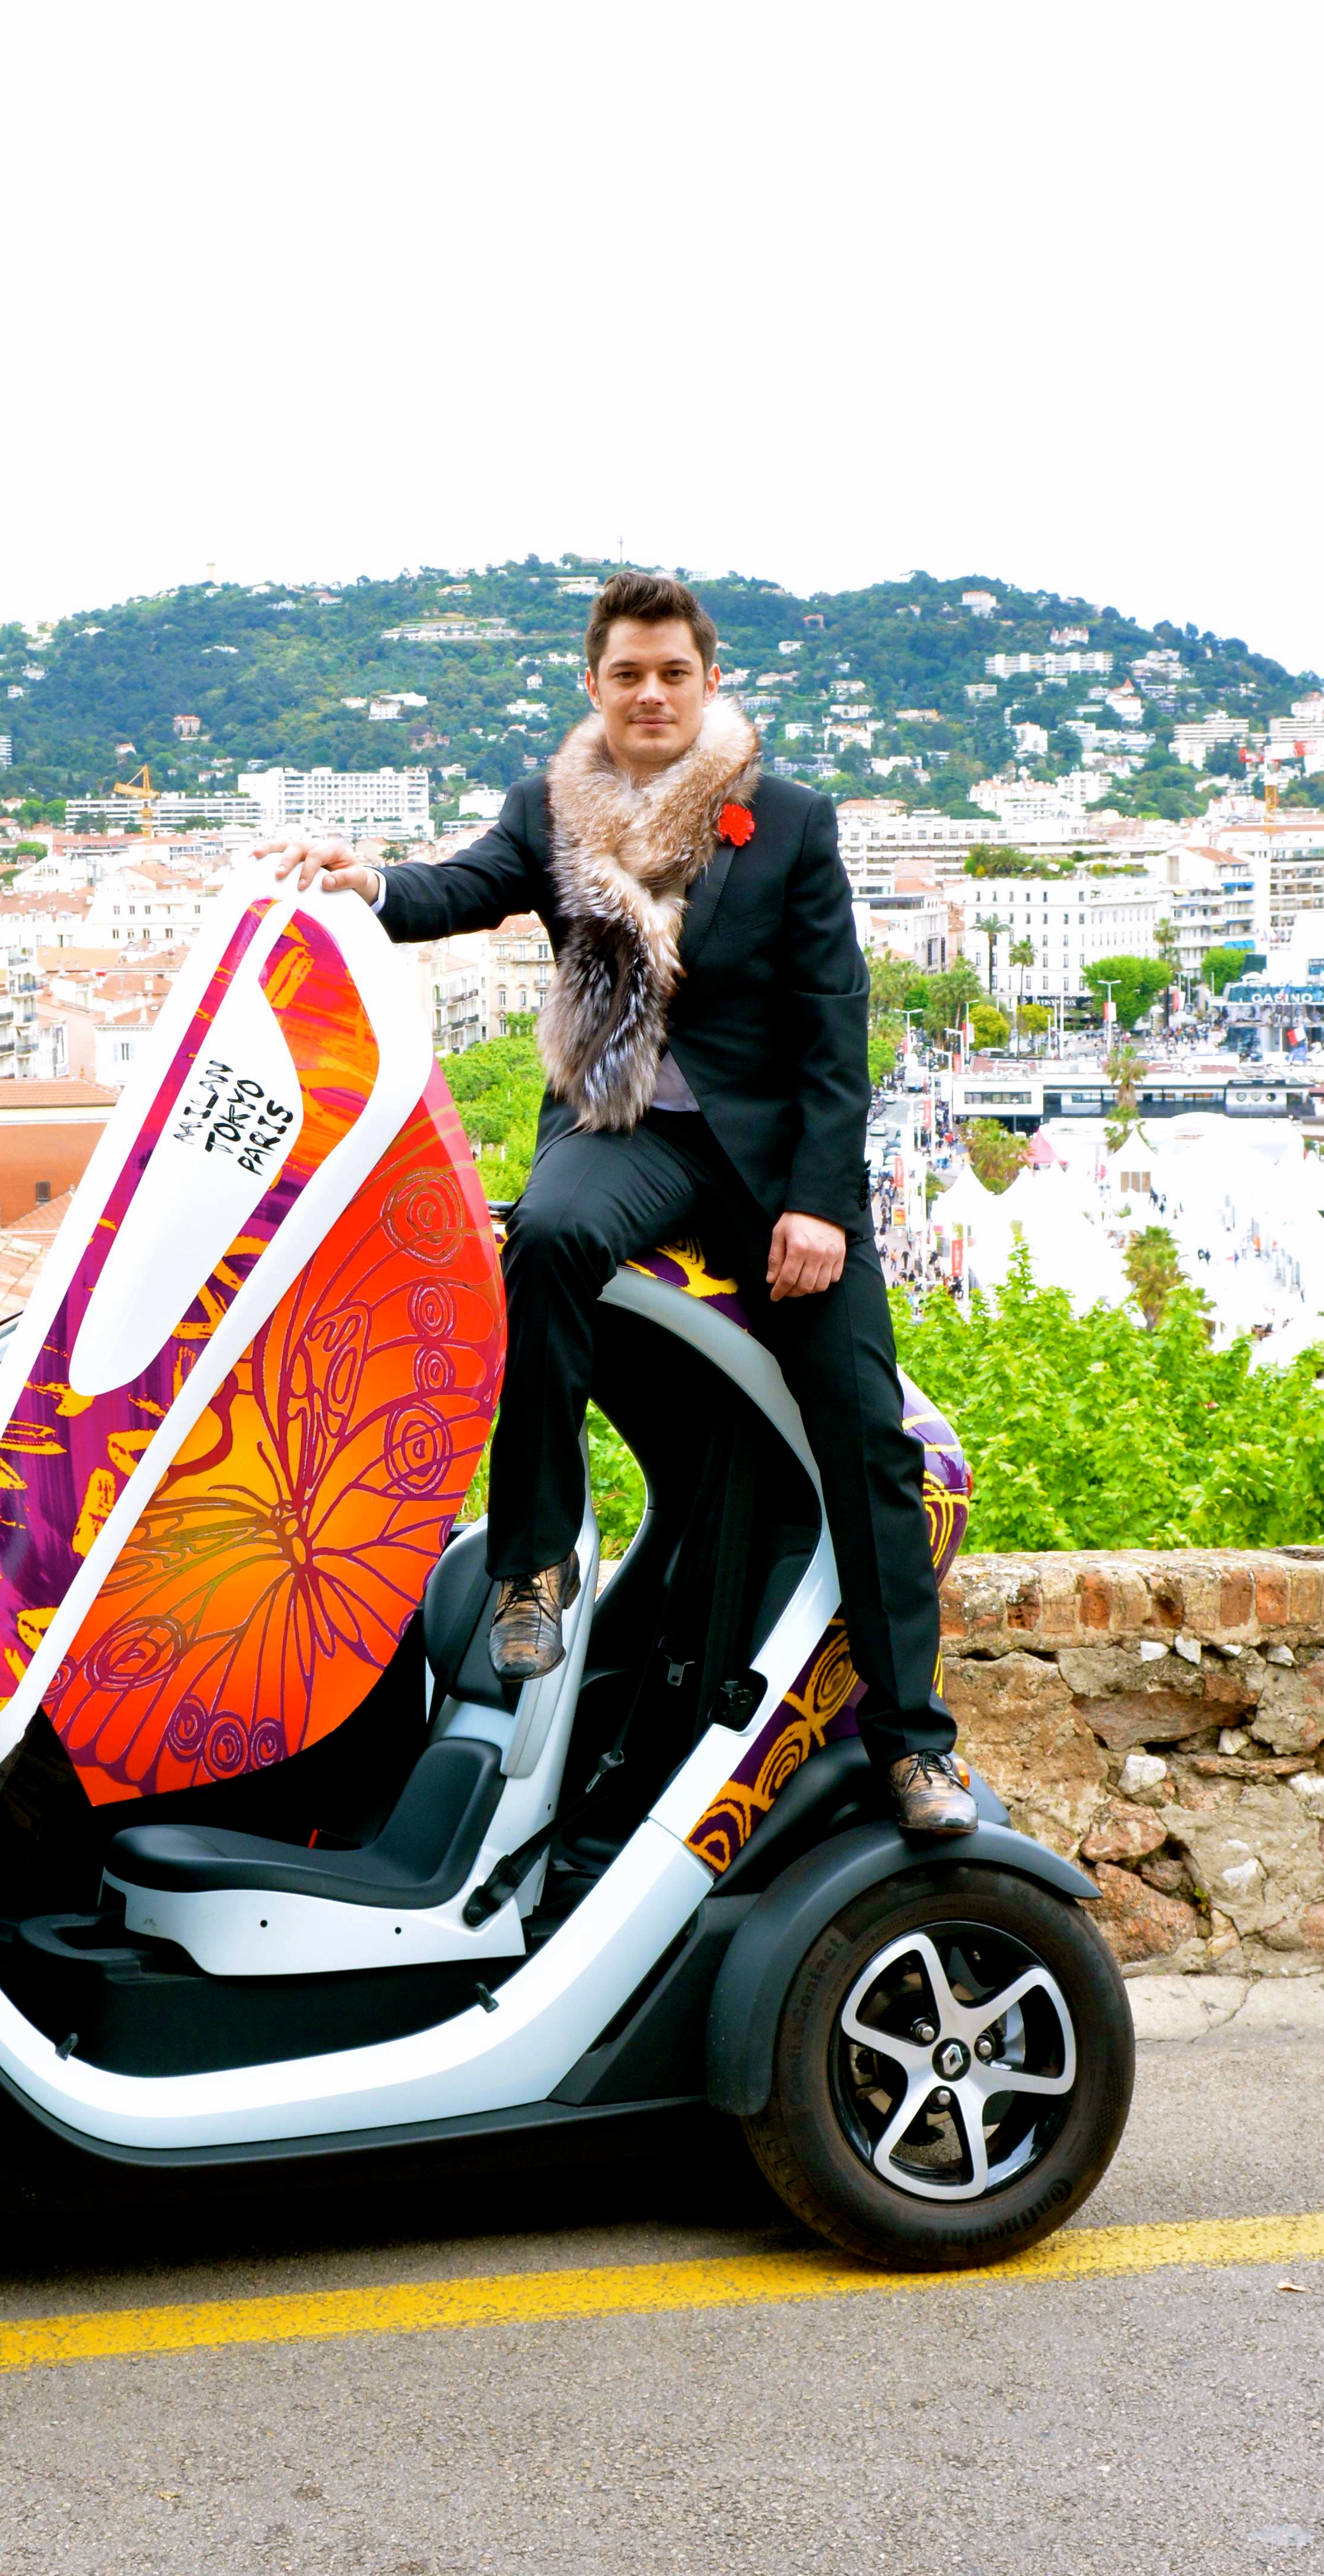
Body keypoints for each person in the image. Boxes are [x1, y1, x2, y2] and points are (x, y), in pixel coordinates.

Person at [266, 572, 972, 1834]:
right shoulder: (549, 806)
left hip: (772, 1164)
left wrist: (819, 1206)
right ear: (593, 684)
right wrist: (364, 882)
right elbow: (465, 885)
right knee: (542, 1237)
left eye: (673, 673)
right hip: (621, 1123)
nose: (652, 694)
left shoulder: (788, 820)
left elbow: (833, 1024)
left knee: (866, 1436)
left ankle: (914, 1744)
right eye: (628, 674)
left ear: (710, 682)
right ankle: (532, 1564)